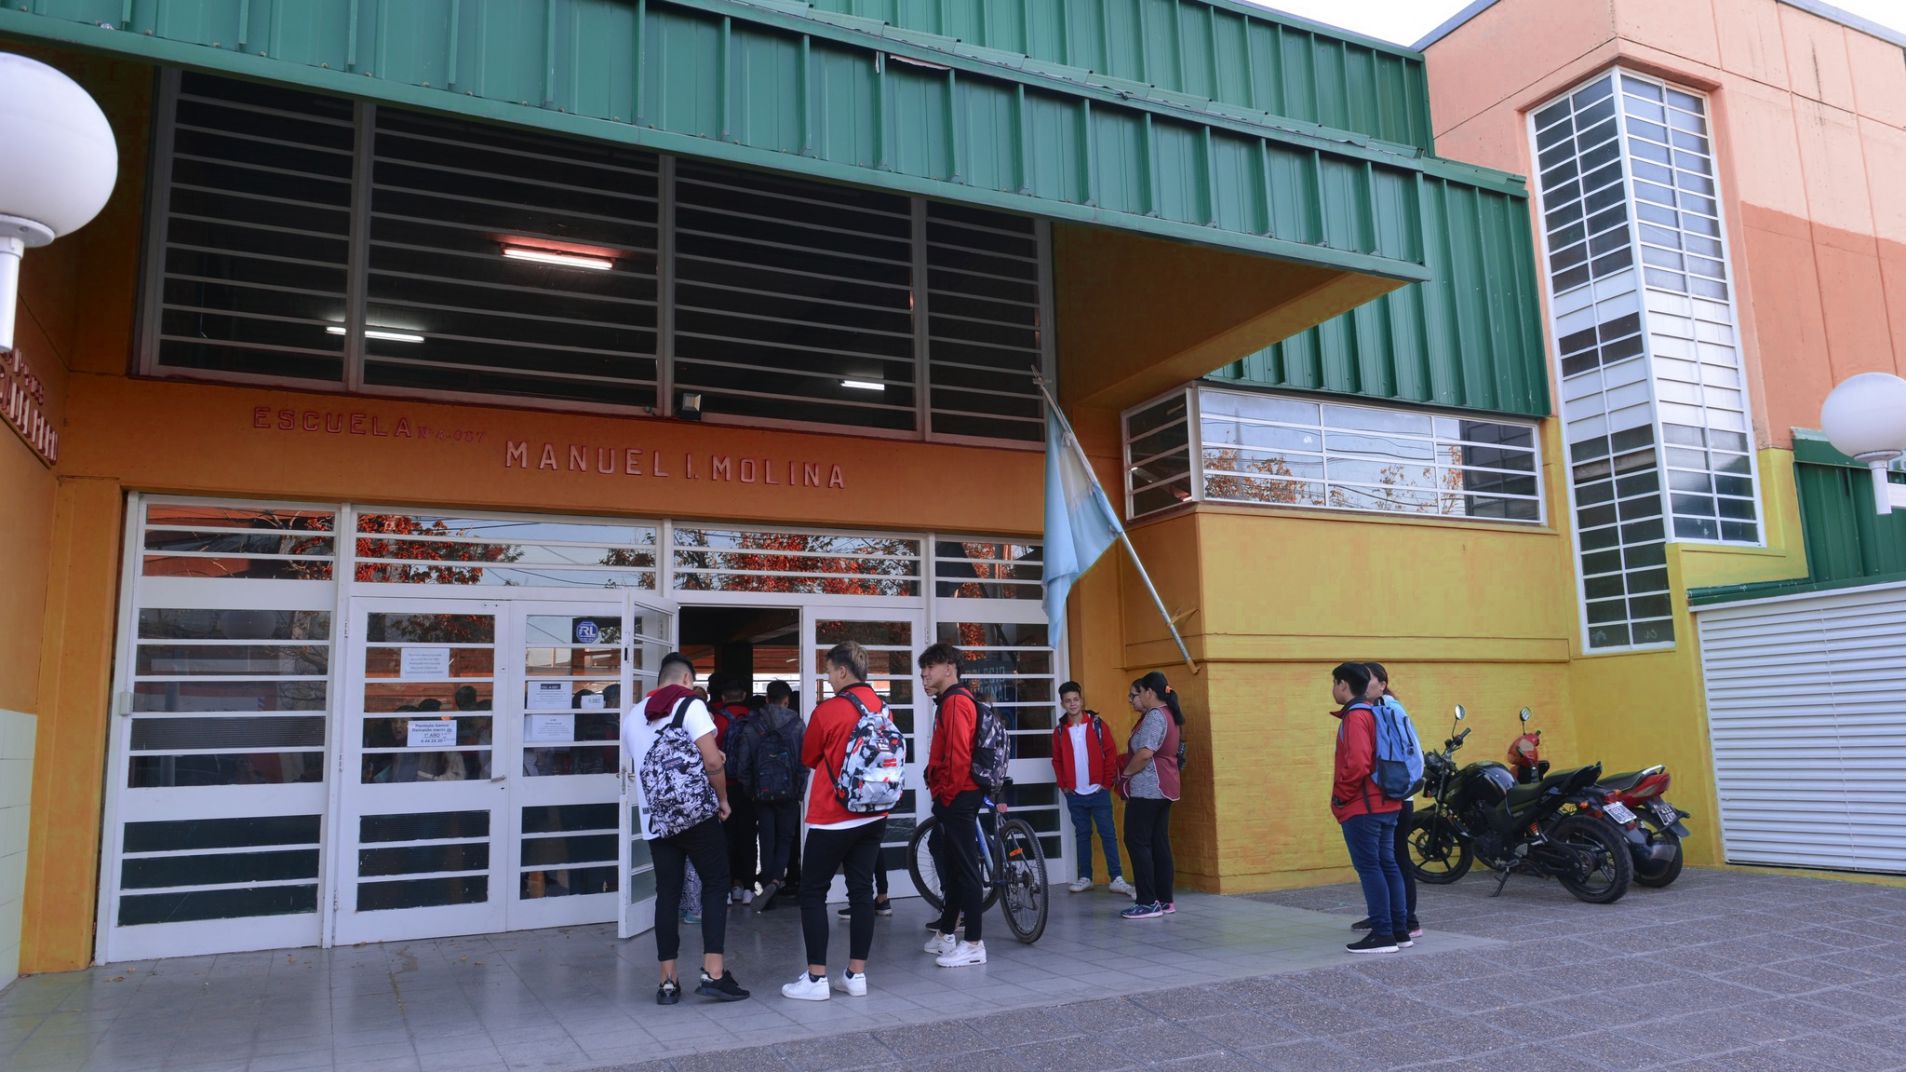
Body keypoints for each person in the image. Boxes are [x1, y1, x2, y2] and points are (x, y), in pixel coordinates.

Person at [621, 652, 750, 1003]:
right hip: (696, 815)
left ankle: (667, 981)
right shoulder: (690, 706)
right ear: (687, 680)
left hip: (657, 820)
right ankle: (714, 972)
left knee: (667, 893)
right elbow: (712, 762)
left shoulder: (633, 717)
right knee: (716, 882)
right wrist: (723, 800)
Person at [781, 642, 891, 1000]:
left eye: (829, 671)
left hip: (833, 814)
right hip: (873, 813)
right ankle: (856, 975)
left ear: (843, 671)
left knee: (813, 892)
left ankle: (816, 979)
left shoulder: (828, 710)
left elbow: (809, 757)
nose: (828, 679)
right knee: (862, 892)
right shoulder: (882, 707)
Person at [1329, 662, 1409, 954]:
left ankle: (1383, 934)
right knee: (1388, 864)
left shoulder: (1356, 716)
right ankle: (1400, 931)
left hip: (1364, 807)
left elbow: (1358, 764)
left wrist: (1340, 796)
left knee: (1370, 867)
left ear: (1344, 684)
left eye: (1334, 683)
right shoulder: (1377, 711)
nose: (1333, 689)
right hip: (1388, 801)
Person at [918, 642, 987, 967]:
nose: (924, 674)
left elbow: (957, 757)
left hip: (958, 796)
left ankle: (973, 943)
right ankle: (946, 933)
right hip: (956, 795)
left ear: (949, 668)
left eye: (930, 667)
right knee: (955, 865)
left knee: (966, 869)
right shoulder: (950, 701)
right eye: (923, 669)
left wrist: (946, 797)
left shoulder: (956, 702)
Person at [1353, 663, 1422, 941]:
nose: (1363, 685)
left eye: (1368, 680)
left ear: (1382, 684)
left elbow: (1402, 753)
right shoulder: (1382, 708)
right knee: (1386, 859)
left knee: (1395, 859)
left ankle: (1408, 920)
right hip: (1394, 794)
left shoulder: (1387, 710)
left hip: (1396, 796)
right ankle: (1389, 916)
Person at [1052, 682, 1131, 896]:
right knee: (1082, 834)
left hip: (1098, 791)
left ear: (1081, 700)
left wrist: (1106, 784)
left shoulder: (1097, 724)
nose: (1072, 704)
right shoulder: (1059, 731)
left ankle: (1116, 878)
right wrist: (1064, 785)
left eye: (1075, 699)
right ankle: (1085, 877)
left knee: (1108, 833)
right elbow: (1057, 760)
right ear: (1062, 704)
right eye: (1068, 701)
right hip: (1075, 793)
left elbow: (1110, 753)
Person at [1115, 672, 1182, 919]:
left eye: (1140, 692)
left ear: (1149, 692)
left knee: (1136, 840)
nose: (1138, 697)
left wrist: (1125, 775)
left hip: (1149, 788)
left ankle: (1147, 901)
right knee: (1158, 842)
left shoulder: (1155, 715)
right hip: (1164, 786)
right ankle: (1164, 900)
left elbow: (1145, 753)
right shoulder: (1169, 713)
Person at [734, 679, 805, 911]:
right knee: (785, 840)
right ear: (787, 701)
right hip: (789, 793)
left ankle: (768, 889)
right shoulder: (797, 724)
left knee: (767, 841)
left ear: (766, 699)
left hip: (761, 793)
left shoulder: (753, 725)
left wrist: (750, 789)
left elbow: (743, 765)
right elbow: (804, 762)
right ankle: (776, 881)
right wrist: (799, 790)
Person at [712, 675, 759, 906]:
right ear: (744, 695)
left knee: (725, 839)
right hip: (749, 788)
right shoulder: (754, 719)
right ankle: (748, 887)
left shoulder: (718, 721)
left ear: (723, 697)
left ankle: (729, 888)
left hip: (725, 787)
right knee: (748, 838)